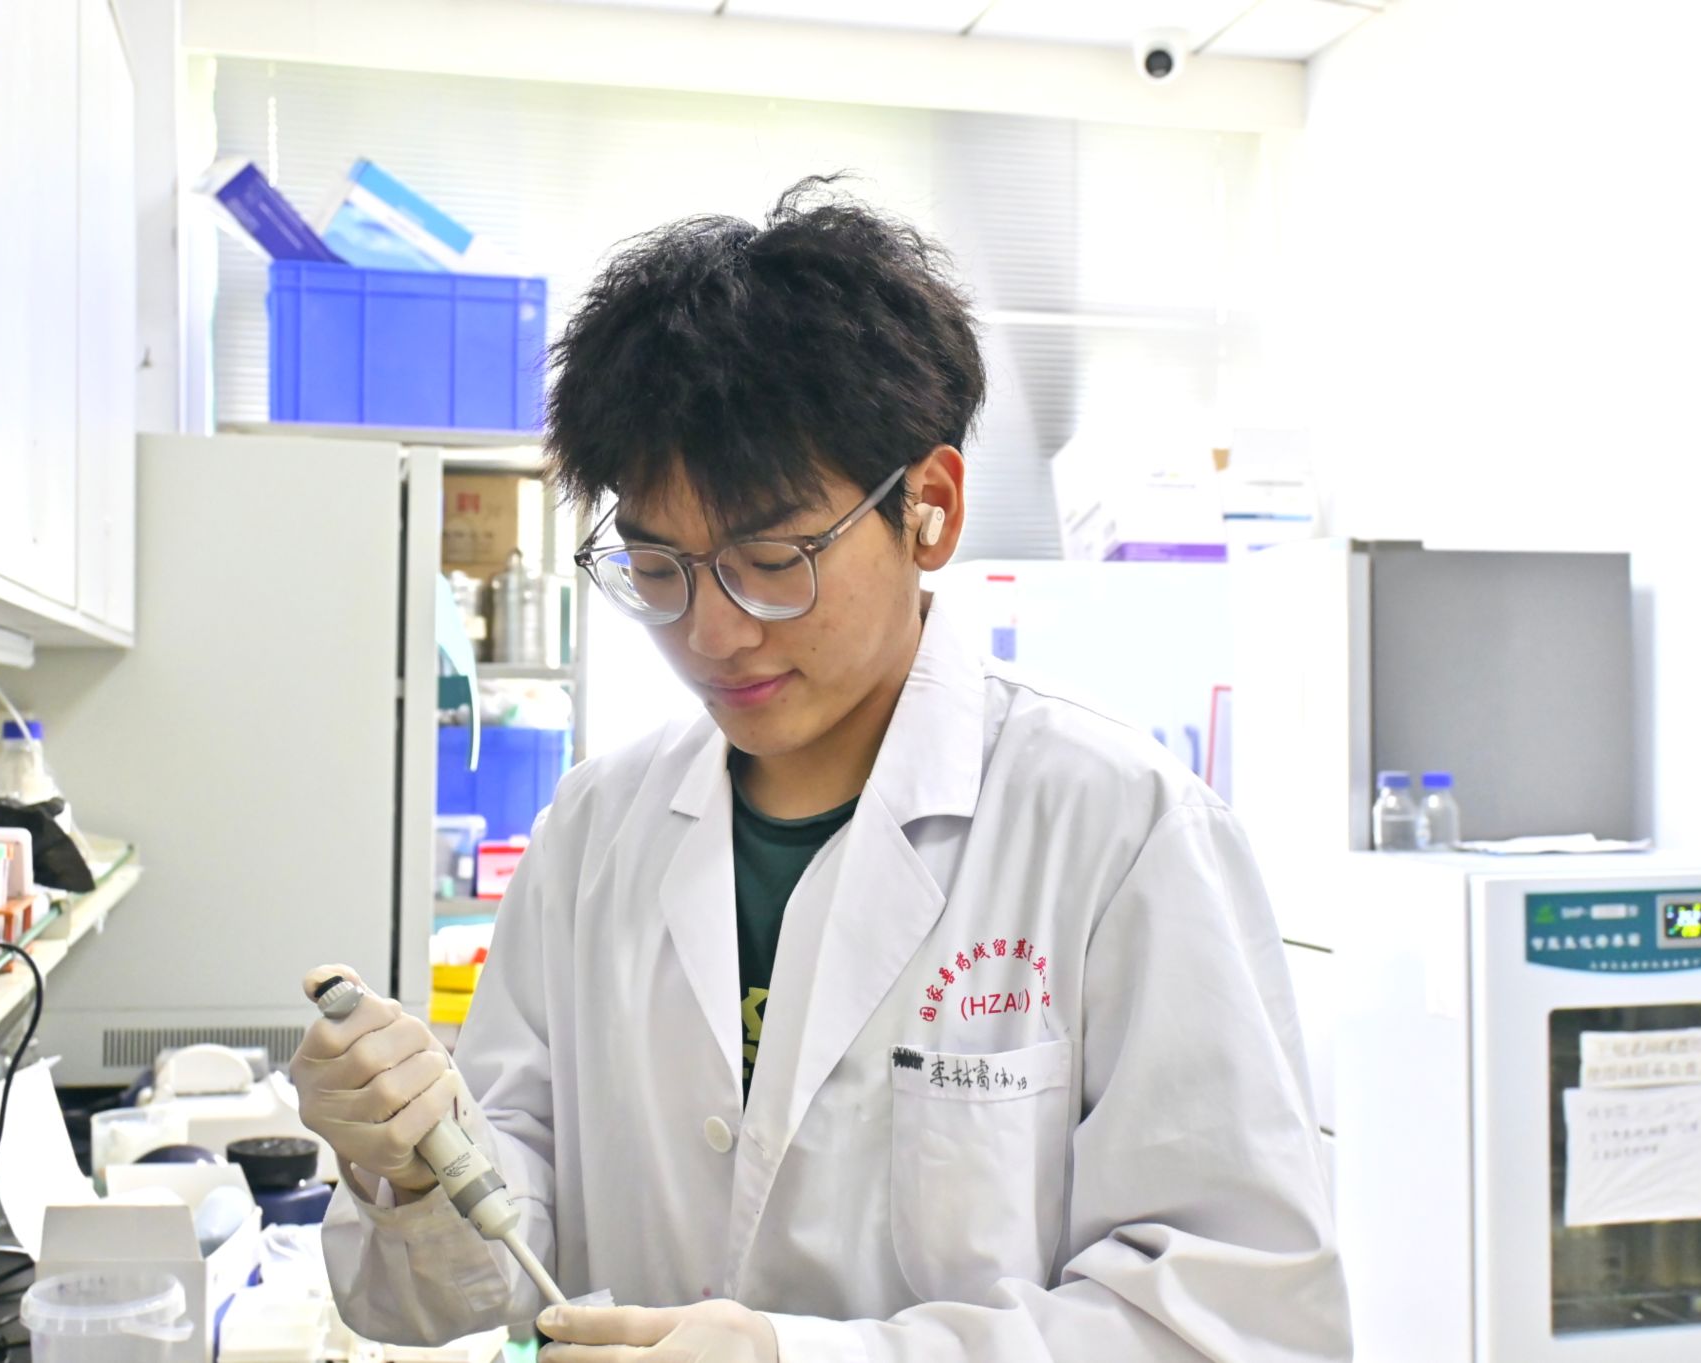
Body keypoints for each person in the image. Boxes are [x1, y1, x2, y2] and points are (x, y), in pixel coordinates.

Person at [291, 177, 1349, 1362]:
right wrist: (410, 1161)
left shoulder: (1116, 828)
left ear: (929, 506)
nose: (712, 631)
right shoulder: (595, 830)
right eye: (657, 567)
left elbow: (1233, 1320)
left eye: (771, 557)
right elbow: (470, 1276)